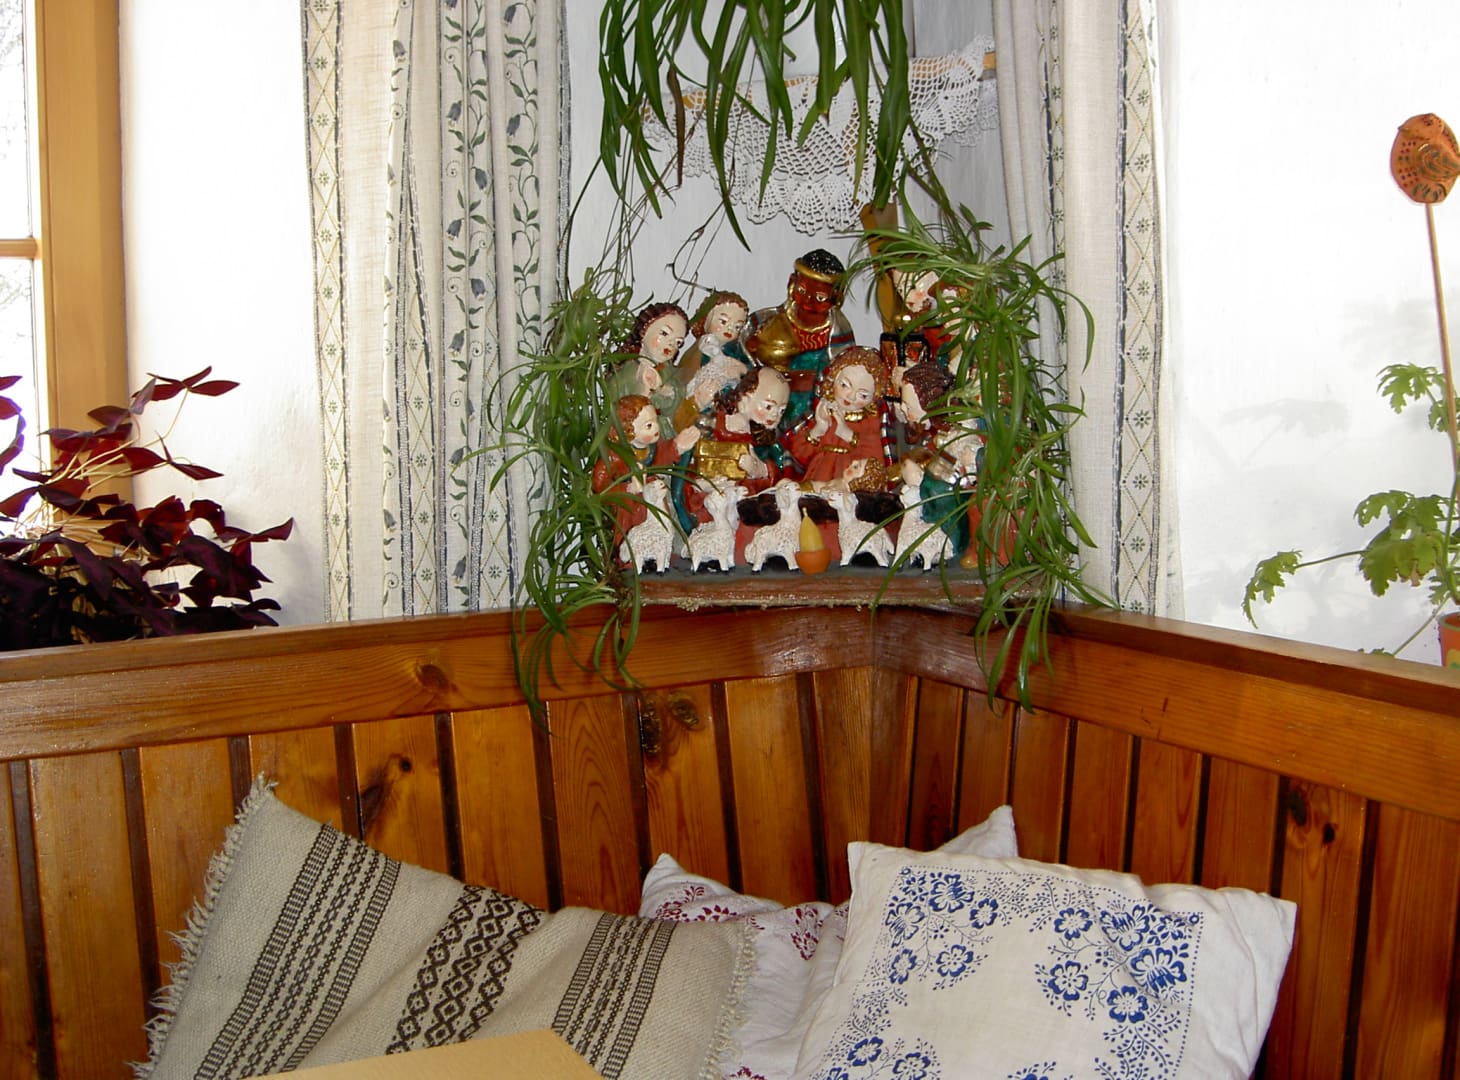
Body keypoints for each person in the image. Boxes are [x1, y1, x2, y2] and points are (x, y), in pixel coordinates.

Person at [742, 249, 854, 431]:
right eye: (802, 291)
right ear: (791, 283)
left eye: (820, 298)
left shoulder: (839, 336)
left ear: (837, 297)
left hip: (812, 416)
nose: (808, 302)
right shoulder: (762, 322)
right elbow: (740, 362)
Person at [682, 365, 791, 526]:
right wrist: (703, 484)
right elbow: (687, 465)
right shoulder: (710, 424)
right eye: (768, 406)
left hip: (740, 497)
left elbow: (772, 472)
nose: (775, 415)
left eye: (781, 410)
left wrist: (758, 468)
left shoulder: (758, 435)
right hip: (710, 498)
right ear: (745, 399)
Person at [592, 393, 700, 554]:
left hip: (656, 498)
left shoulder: (653, 446)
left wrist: (677, 446)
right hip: (632, 507)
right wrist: (629, 489)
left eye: (655, 421)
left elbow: (662, 455)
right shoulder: (614, 456)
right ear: (628, 430)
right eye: (648, 426)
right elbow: (600, 488)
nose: (656, 428)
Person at [783, 345, 895, 493]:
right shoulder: (824, 413)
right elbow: (799, 456)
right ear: (833, 379)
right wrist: (819, 429)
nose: (851, 396)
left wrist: (848, 434)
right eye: (844, 385)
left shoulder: (871, 422)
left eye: (862, 395)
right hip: (818, 476)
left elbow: (876, 462)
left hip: (849, 482)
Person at [608, 302, 689, 438]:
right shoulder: (627, 371)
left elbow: (677, 403)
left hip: (663, 434)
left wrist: (666, 392)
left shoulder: (669, 371)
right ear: (644, 331)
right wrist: (644, 392)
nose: (671, 344)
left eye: (678, 342)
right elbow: (616, 403)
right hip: (634, 436)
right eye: (664, 333)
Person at [675, 291, 751, 431]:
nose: (729, 328)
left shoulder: (736, 352)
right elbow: (687, 381)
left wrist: (743, 369)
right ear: (706, 319)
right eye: (723, 321)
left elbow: (751, 374)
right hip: (703, 407)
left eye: (737, 326)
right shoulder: (702, 348)